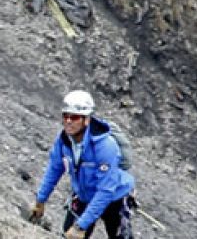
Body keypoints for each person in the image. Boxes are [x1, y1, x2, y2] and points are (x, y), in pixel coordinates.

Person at [28, 90, 135, 238]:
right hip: (84, 196)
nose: (68, 121)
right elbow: (54, 170)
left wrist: (80, 226)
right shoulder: (64, 142)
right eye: (66, 116)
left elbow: (105, 190)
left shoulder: (106, 146)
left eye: (74, 117)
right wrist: (40, 200)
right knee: (68, 235)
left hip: (114, 197)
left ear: (87, 119)